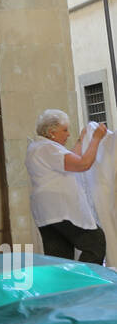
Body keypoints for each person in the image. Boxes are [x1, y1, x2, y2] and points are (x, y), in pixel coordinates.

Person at [25, 109, 107, 263]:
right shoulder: (47, 148)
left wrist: (80, 141)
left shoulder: (39, 147)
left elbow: (68, 162)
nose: (68, 134)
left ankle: (66, 286)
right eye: (65, 130)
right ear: (51, 132)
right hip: (61, 210)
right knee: (95, 242)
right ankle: (83, 284)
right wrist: (96, 138)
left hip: (47, 214)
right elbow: (83, 164)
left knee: (61, 260)